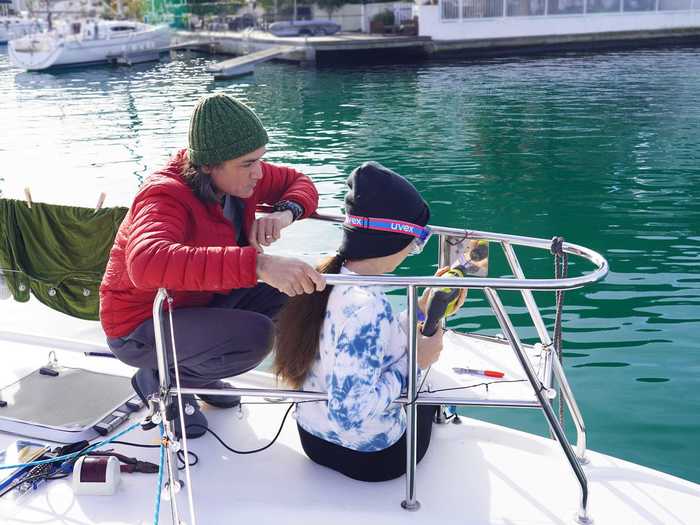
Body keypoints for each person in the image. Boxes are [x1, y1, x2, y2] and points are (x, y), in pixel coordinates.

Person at [100, 93, 325, 438]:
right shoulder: (164, 196)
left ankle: (192, 373)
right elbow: (144, 263)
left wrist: (284, 212)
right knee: (255, 336)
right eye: (249, 164)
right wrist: (259, 265)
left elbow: (300, 183)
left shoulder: (237, 175)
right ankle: (165, 380)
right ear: (208, 165)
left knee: (297, 301)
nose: (259, 173)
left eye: (261, 160)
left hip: (199, 301)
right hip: (140, 327)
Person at [274, 162, 465, 481]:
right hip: (375, 459)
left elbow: (374, 341)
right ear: (395, 239)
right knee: (430, 389)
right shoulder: (367, 307)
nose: (413, 250)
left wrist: (420, 310)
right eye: (418, 241)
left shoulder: (328, 281)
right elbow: (351, 414)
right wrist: (418, 362)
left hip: (313, 441)